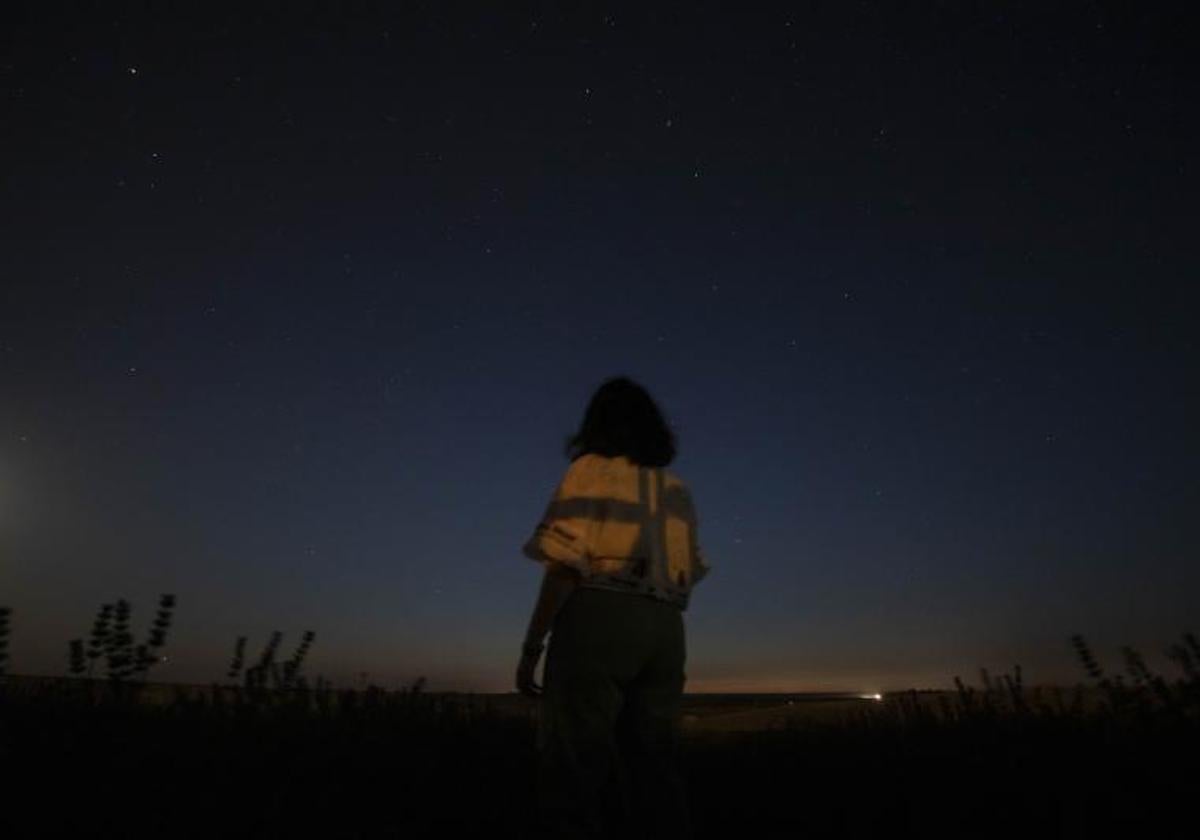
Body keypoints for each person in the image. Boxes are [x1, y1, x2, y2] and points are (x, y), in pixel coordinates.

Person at [517, 375, 711, 839]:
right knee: (655, 767)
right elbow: (690, 568)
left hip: (600, 616)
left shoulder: (591, 470)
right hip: (666, 629)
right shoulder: (677, 489)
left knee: (574, 765)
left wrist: (532, 646)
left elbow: (565, 564)